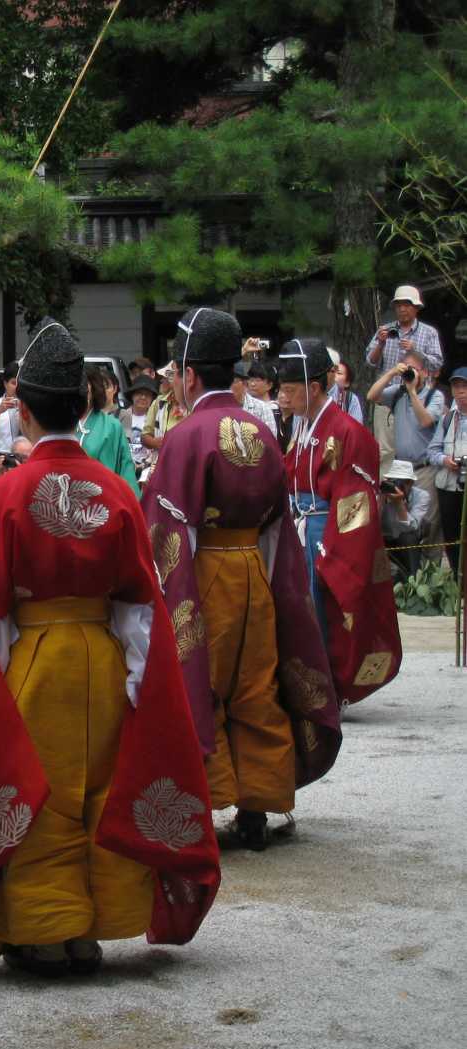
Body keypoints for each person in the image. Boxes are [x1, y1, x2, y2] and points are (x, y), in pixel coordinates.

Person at [0, 320, 219, 978]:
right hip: (103, 656)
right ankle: (94, 926)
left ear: (22, 408)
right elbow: (141, 607)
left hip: (34, 661)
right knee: (100, 784)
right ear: (84, 407)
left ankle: (44, 928)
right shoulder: (119, 493)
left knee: (35, 787)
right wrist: (141, 685)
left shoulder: (1, 496)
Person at [142, 307, 341, 853]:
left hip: (206, 572)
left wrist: (167, 599)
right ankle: (257, 810)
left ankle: (204, 806)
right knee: (257, 685)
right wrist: (281, 590)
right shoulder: (262, 430)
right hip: (255, 567)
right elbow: (278, 524)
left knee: (204, 683)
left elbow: (169, 528)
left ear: (188, 374)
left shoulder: (186, 436)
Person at [279, 338, 402, 703]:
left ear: (314, 388)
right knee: (297, 608)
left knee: (325, 605)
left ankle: (330, 686)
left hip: (327, 529)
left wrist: (333, 551)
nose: (282, 397)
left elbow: (356, 502)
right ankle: (307, 682)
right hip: (301, 524)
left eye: (289, 390)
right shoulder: (302, 426)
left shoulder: (348, 431)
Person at [367, 348, 446, 552]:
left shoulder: (435, 396)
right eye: (407, 368)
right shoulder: (398, 392)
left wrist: (412, 392)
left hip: (424, 468)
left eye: (414, 369)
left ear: (425, 372)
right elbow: (371, 395)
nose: (410, 372)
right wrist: (392, 373)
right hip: (402, 470)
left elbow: (425, 420)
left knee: (426, 524)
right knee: (402, 524)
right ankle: (407, 567)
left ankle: (428, 568)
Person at [365, 284, 444, 467]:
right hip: (388, 396)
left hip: (418, 398)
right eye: (398, 305)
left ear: (416, 307)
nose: (402, 309)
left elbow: (437, 364)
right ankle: (387, 485)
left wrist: (415, 351)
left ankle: (415, 482)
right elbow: (370, 361)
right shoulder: (386, 330)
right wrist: (381, 344)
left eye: (407, 304)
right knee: (384, 450)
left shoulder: (429, 332)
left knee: (415, 447)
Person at [426, 367, 467, 574]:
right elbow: (432, 451)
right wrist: (445, 460)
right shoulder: (447, 418)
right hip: (448, 485)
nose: (460, 391)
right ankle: (456, 580)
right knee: (451, 536)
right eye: (456, 386)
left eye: (465, 386)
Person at [77, 366, 139, 495]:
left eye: (85, 387)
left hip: (104, 497)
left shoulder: (112, 426)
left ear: (94, 389)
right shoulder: (62, 423)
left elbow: (125, 468)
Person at [379, 459, 431, 581]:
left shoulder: (422, 496)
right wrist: (381, 498)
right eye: (394, 481)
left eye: (405, 482)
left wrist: (399, 504)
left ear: (412, 482)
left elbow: (413, 527)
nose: (399, 485)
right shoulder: (379, 493)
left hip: (406, 539)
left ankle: (413, 582)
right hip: (381, 539)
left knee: (409, 538)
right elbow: (372, 524)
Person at [121, 375, 158, 478]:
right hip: (123, 470)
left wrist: (143, 466)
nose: (143, 397)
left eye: (147, 395)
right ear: (132, 395)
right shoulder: (120, 416)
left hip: (147, 474)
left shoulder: (157, 420)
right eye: (139, 393)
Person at [327, 361, 365, 425]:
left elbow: (356, 426)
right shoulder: (317, 393)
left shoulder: (351, 399)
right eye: (332, 371)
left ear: (347, 383)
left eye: (339, 373)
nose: (334, 375)